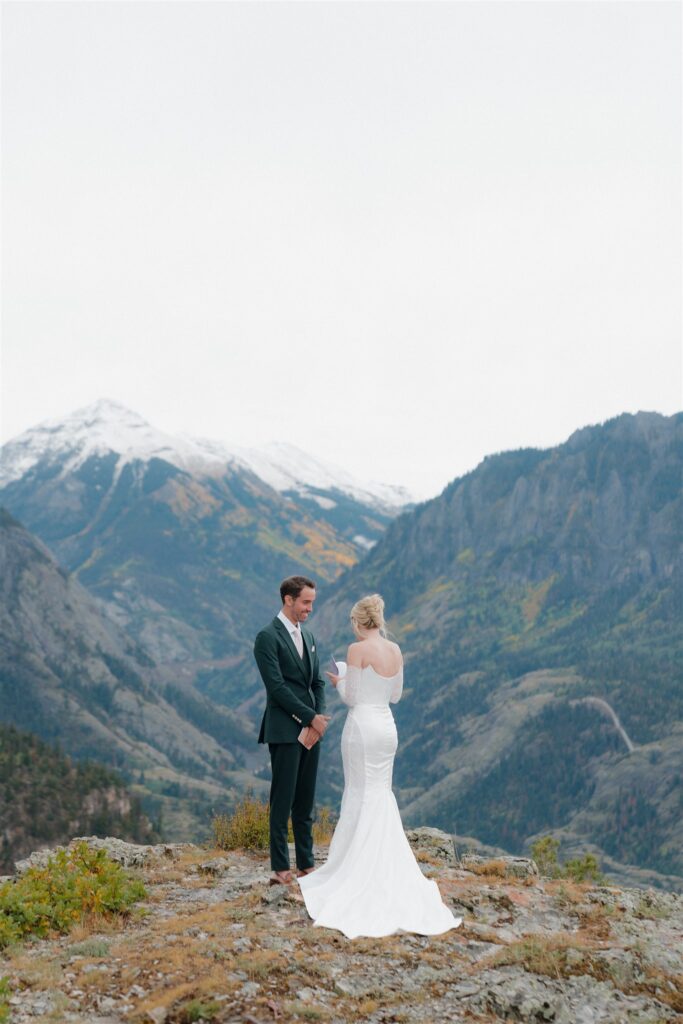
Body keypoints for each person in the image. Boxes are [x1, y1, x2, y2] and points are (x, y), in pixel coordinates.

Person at [297, 594, 462, 938]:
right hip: (386, 728)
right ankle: (385, 865)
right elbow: (396, 695)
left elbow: (352, 698)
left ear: (358, 622)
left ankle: (353, 866)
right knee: (380, 793)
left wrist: (340, 681)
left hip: (361, 727)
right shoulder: (396, 650)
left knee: (358, 791)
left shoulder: (356, 650)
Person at [253, 575, 331, 886]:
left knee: (305, 800)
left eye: (311, 602)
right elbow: (276, 688)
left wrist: (320, 718)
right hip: (285, 730)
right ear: (288, 600)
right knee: (282, 800)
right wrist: (309, 717)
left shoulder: (309, 636)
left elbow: (317, 683)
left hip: (312, 729)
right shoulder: (267, 637)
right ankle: (280, 868)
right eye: (306, 602)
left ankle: (307, 864)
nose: (310, 608)